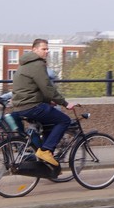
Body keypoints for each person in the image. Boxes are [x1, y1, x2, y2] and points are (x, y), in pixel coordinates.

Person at [11, 39, 77, 167]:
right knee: (64, 120)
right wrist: (65, 103)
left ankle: (44, 160)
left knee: (49, 125)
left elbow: (34, 88)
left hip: (20, 106)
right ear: (34, 49)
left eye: (47, 49)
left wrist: (48, 101)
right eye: (43, 49)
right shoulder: (38, 64)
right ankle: (46, 151)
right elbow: (47, 88)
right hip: (32, 106)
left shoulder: (24, 64)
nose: (46, 51)